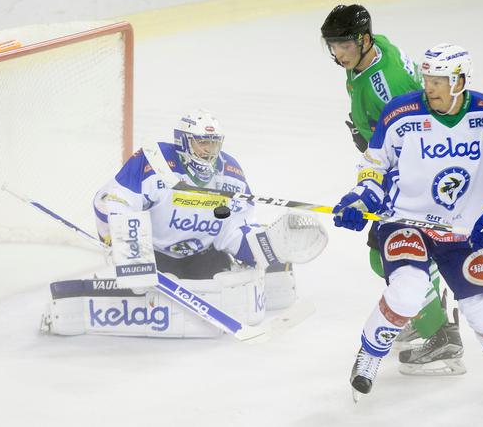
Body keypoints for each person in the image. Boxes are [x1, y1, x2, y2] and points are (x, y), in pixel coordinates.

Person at [333, 43, 483, 401]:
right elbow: (374, 164)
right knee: (408, 289)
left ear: (460, 80)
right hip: (406, 222)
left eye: (439, 80)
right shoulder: (402, 113)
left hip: (460, 231)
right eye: (427, 78)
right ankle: (368, 357)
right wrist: (363, 195)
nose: (429, 87)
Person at [41, 109, 327, 338]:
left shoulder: (230, 173)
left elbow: (234, 227)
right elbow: (110, 200)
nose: (210, 151)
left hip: (202, 256)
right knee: (139, 287)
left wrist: (263, 247)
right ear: (184, 142)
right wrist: (120, 243)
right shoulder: (154, 162)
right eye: (203, 143)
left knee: (239, 269)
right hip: (155, 255)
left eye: (214, 143)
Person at [321, 4, 464, 375]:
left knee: (389, 253)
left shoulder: (385, 83)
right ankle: (430, 316)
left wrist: (388, 178)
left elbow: (414, 132)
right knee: (398, 253)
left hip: (413, 177)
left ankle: (442, 337)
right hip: (410, 171)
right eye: (332, 46)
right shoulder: (372, 52)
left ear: (363, 39)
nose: (337, 54)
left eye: (343, 46)